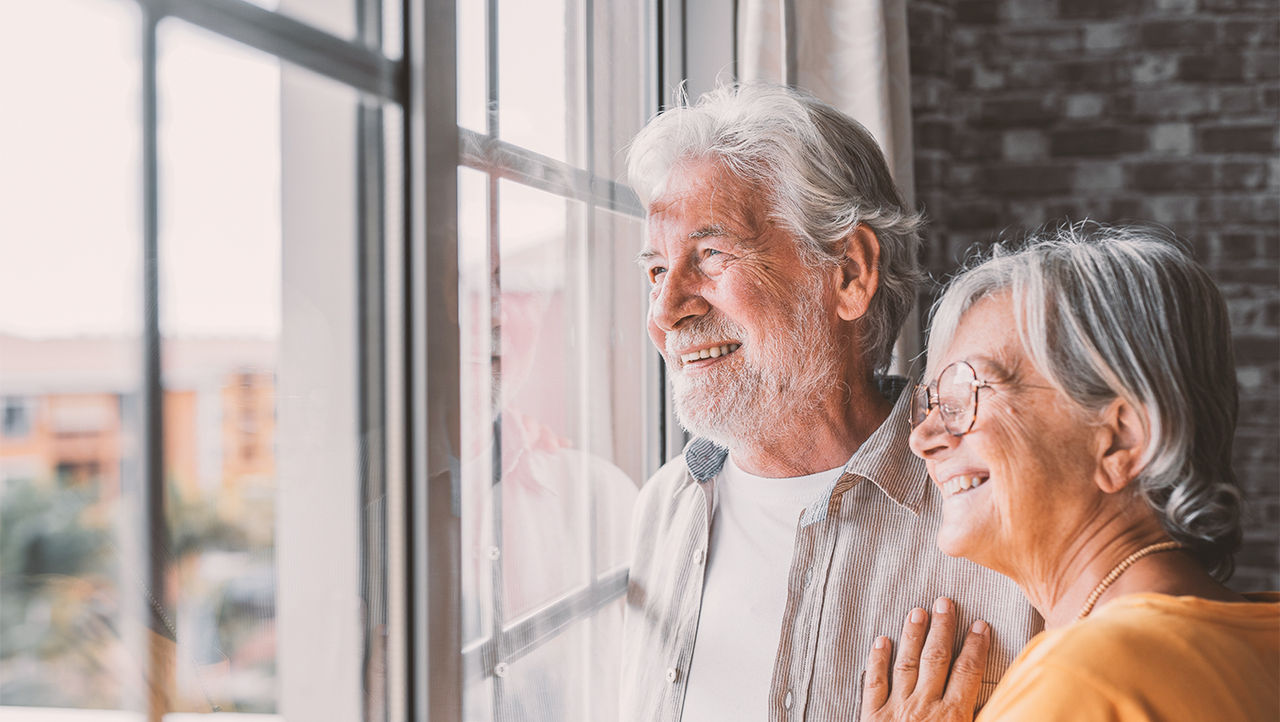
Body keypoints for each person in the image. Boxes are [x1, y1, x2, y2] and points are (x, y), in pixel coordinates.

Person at [619, 82, 1040, 722]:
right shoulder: (662, 510)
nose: (665, 311)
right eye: (656, 270)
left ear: (848, 273)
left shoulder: (1002, 514)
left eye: (711, 254)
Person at [860, 223, 1280, 721]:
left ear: (1120, 439)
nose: (923, 439)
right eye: (930, 406)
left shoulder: (1086, 682)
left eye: (964, 396)